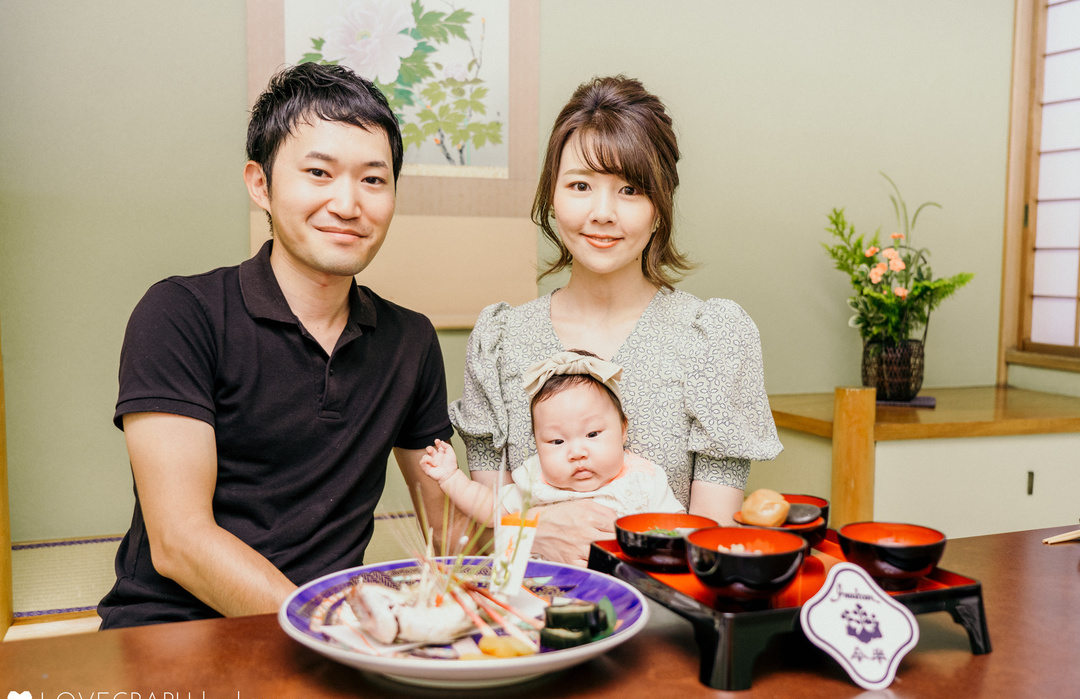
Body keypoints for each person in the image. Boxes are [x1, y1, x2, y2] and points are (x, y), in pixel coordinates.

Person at [98, 63, 454, 628]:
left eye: (373, 179)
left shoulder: (410, 341)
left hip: (332, 644)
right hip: (176, 633)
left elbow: (449, 535)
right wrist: (334, 631)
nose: (347, 203)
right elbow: (179, 541)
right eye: (319, 172)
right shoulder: (180, 314)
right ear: (260, 184)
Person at [448, 76, 782, 566]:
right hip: (527, 620)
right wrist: (538, 534)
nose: (602, 213)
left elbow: (709, 544)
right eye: (581, 185)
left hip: (662, 620)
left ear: (659, 206)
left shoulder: (712, 338)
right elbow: (482, 537)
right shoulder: (500, 341)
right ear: (552, 195)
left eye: (630, 189)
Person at [421, 351, 683, 524]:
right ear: (537, 444)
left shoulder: (644, 480)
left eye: (592, 434)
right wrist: (450, 477)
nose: (577, 452)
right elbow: (491, 511)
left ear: (623, 430)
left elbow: (678, 529)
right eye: (557, 441)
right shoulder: (535, 481)